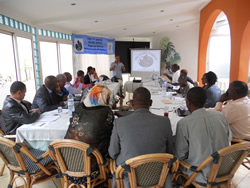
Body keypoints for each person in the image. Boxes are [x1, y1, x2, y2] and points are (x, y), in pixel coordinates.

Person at [109, 87, 174, 187]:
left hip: (129, 175)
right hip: (158, 175)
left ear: (132, 103)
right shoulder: (165, 122)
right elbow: (170, 152)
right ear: (151, 103)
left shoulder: (119, 123)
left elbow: (113, 153)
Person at [174, 87, 231, 185]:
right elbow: (229, 139)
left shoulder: (184, 123)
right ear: (205, 101)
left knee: (173, 164)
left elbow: (180, 155)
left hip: (200, 174)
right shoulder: (220, 116)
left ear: (188, 102)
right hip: (224, 170)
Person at [65, 85, 114, 168]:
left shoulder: (78, 107)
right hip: (92, 163)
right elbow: (110, 130)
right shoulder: (106, 112)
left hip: (69, 160)